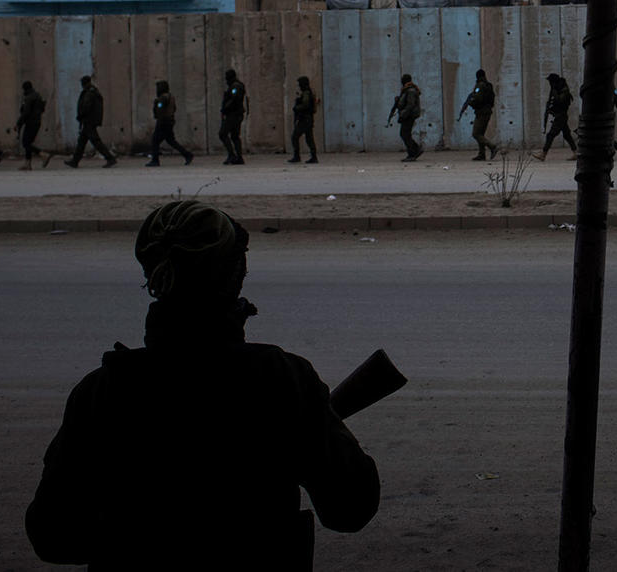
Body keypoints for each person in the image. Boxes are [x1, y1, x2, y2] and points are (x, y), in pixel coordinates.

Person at [25, 200, 380, 568]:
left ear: (155, 278)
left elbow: (54, 536)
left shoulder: (102, 391)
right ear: (235, 275)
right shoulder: (281, 378)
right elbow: (351, 508)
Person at [66, 75, 118, 168]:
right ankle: (75, 161)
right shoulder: (92, 91)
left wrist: (81, 116)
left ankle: (110, 158)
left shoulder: (89, 92)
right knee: (82, 142)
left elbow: (86, 106)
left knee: (95, 141)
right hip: (89, 120)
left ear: (84, 83)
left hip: (89, 120)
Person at [148, 79, 195, 167]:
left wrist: (156, 106)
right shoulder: (170, 97)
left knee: (155, 140)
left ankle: (155, 160)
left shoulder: (162, 98)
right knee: (171, 141)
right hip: (169, 121)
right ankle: (187, 154)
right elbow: (174, 109)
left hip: (163, 122)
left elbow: (159, 111)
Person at [534, 73, 577, 161]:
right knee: (567, 135)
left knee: (550, 135)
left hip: (561, 116)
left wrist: (554, 94)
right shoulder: (557, 89)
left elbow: (560, 101)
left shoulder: (564, 90)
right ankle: (576, 152)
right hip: (560, 116)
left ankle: (543, 154)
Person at [459, 69, 499, 161]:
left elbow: (478, 98)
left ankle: (492, 147)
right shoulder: (487, 85)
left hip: (482, 112)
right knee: (480, 134)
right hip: (486, 111)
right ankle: (482, 154)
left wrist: (471, 103)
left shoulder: (480, 86)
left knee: (476, 134)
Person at [15, 80, 49, 170]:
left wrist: (19, 122)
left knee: (25, 143)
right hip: (37, 121)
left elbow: (26, 112)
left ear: (25, 89)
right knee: (28, 143)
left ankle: (42, 154)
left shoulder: (29, 98)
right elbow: (42, 108)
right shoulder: (37, 95)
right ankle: (27, 163)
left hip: (30, 122)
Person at [388, 73, 423, 161]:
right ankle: (416, 150)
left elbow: (410, 105)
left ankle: (413, 153)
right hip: (408, 115)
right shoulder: (406, 90)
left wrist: (403, 115)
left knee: (405, 134)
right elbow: (404, 103)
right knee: (405, 134)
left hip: (409, 115)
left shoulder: (410, 90)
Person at [219, 67, 248, 165]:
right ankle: (238, 157)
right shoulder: (235, 86)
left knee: (223, 134)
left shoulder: (235, 86)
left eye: (227, 77)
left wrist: (225, 108)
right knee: (235, 136)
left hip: (233, 114)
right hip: (235, 114)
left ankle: (232, 155)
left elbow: (234, 98)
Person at [289, 76, 320, 164]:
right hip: (307, 119)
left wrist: (297, 108)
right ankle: (313, 157)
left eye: (300, 84)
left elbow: (305, 105)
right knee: (309, 138)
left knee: (295, 137)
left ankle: (297, 156)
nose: (299, 86)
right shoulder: (308, 92)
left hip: (304, 119)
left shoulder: (306, 93)